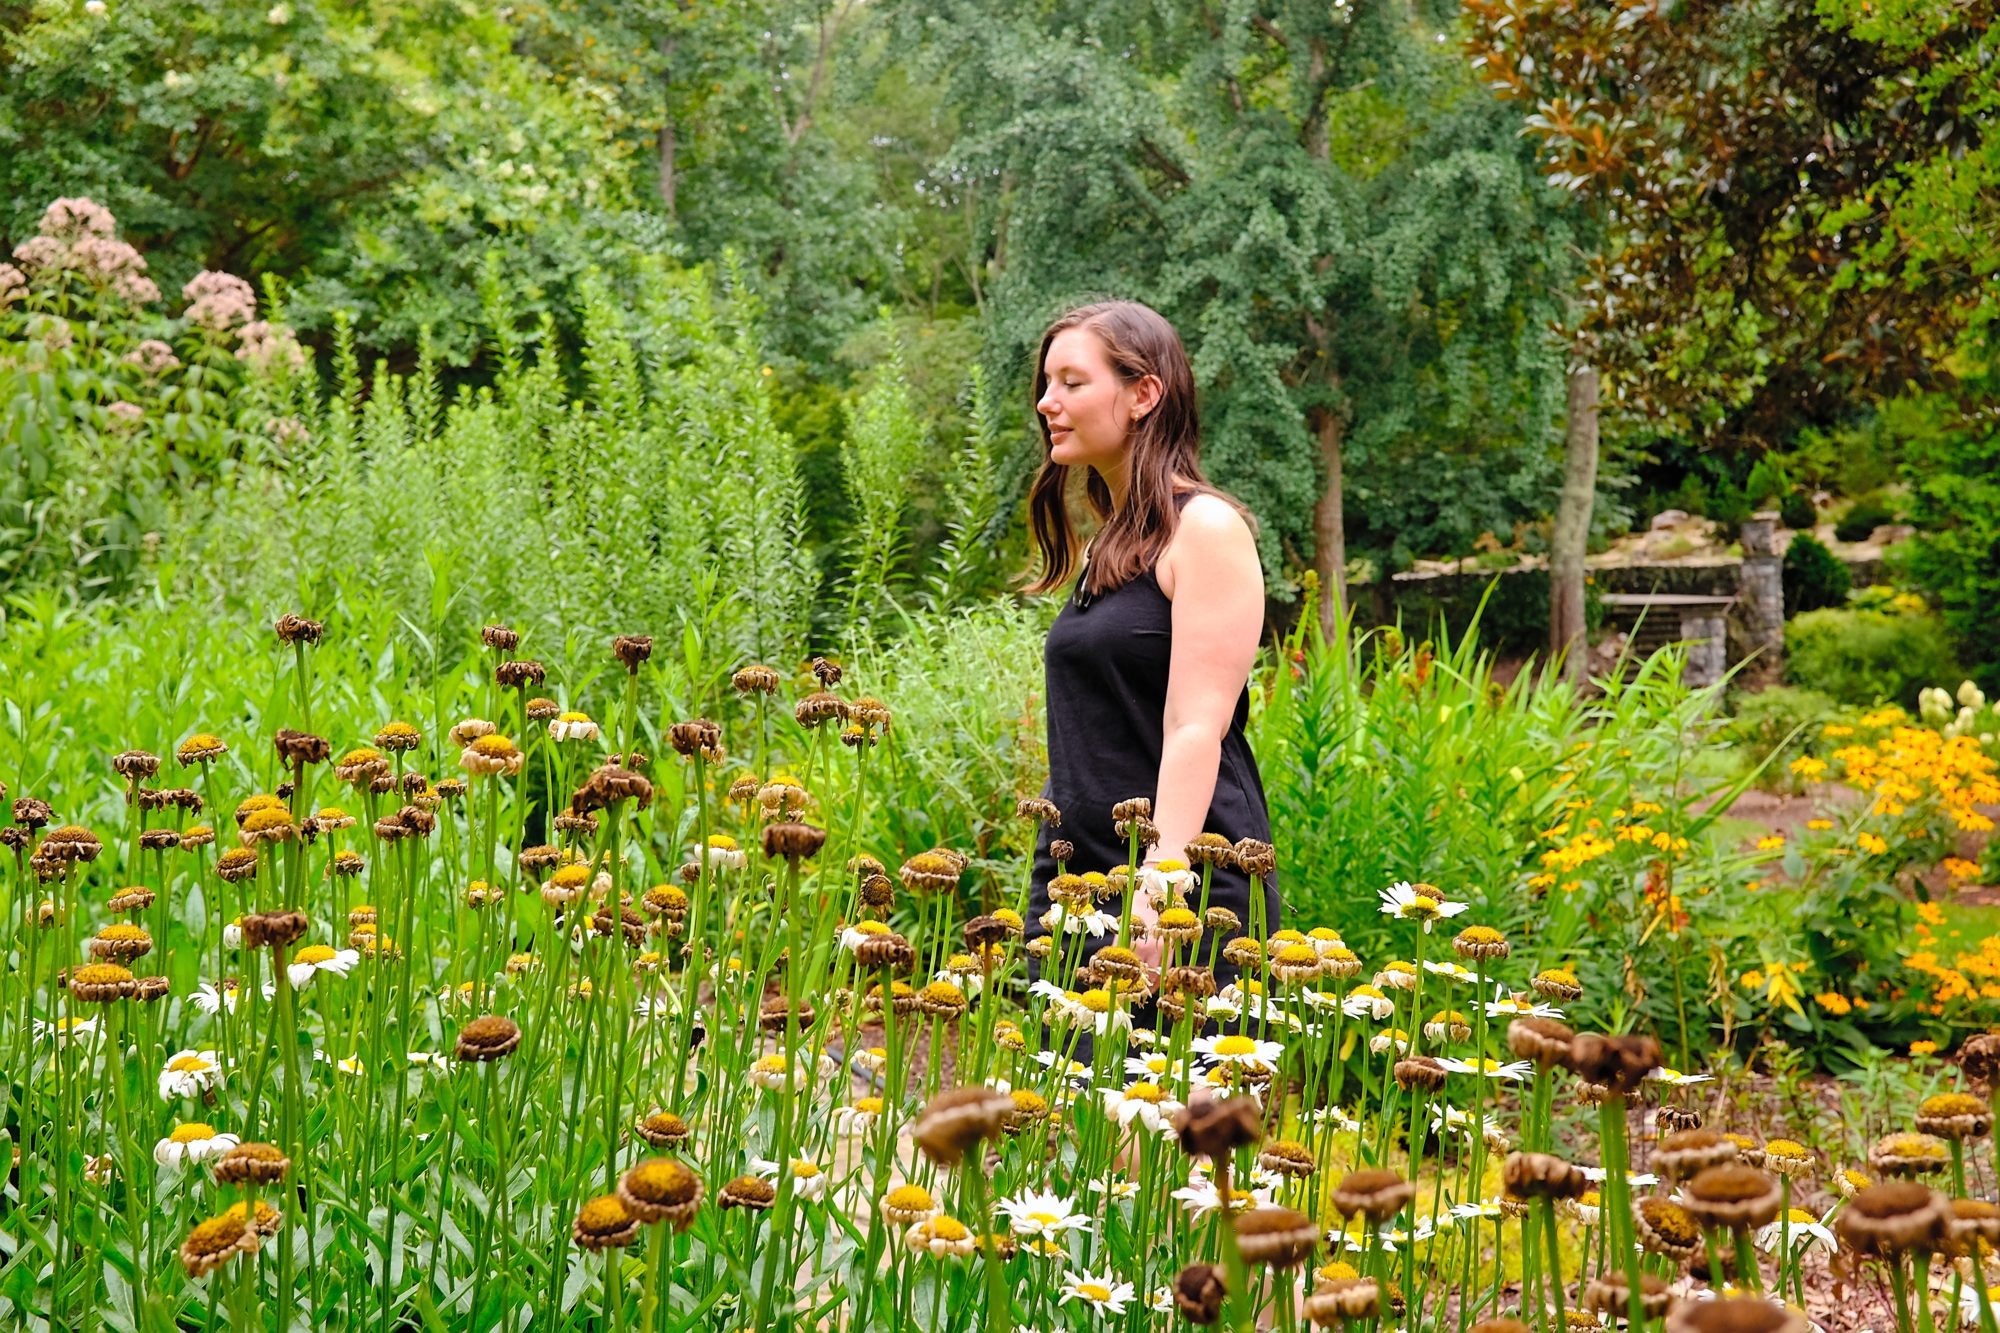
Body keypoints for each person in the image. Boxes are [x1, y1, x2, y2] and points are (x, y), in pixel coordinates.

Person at [1020, 298, 1282, 1007]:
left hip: (1183, 882)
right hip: (1079, 881)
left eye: (1073, 382)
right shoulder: (1110, 545)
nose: (1048, 402)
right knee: (1069, 1112)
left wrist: (1162, 887)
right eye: (1047, 384)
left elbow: (1197, 723)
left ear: (1143, 393)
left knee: (1182, 1115)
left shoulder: (1205, 529)